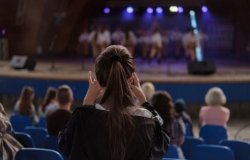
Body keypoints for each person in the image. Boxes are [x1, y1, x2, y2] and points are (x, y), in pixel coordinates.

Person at [59, 45, 169, 160]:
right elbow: (164, 140)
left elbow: (64, 142)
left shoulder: (83, 117)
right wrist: (144, 102)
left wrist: (87, 102)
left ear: (99, 81)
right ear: (131, 79)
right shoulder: (146, 118)